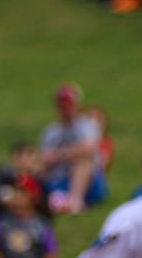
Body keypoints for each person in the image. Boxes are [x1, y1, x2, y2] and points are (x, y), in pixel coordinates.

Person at [38, 85, 106, 215]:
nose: (65, 111)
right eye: (61, 107)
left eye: (68, 106)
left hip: (89, 183)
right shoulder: (50, 131)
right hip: (57, 179)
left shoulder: (87, 126)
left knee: (82, 160)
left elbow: (88, 148)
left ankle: (75, 201)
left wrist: (60, 155)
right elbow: (44, 157)